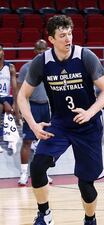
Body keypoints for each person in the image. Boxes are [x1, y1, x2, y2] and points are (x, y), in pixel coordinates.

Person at [17, 15, 104, 225]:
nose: (68, 38)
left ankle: (90, 218)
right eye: (62, 35)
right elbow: (22, 96)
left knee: (85, 184)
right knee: (38, 166)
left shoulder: (85, 56)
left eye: (70, 33)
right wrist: (33, 125)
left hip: (88, 126)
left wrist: (90, 112)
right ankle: (45, 214)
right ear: (51, 39)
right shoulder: (41, 62)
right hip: (60, 123)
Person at [16, 39, 52, 186]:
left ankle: (44, 173)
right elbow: (19, 90)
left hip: (46, 108)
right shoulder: (27, 67)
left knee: (46, 141)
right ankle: (24, 174)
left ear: (47, 50)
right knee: (27, 141)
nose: (41, 52)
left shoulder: (51, 67)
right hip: (32, 107)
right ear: (34, 50)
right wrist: (19, 110)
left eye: (43, 49)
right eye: (38, 49)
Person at [0, 43, 19, 153]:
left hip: (7, 97)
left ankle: (11, 140)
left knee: (10, 110)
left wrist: (15, 104)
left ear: (3, 52)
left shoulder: (10, 67)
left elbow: (15, 88)